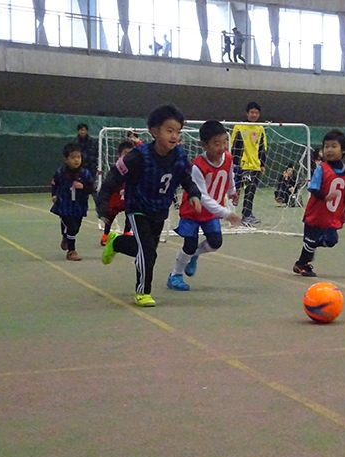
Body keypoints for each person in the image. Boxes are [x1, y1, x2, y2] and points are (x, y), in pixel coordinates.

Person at [96, 104, 202, 307]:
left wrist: (194, 194)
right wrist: (103, 206)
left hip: (159, 210)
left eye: (178, 132)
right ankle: (143, 291)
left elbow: (186, 178)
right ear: (154, 131)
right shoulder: (138, 156)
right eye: (169, 130)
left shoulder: (179, 155)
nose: (174, 136)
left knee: (146, 249)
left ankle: (116, 242)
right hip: (137, 208)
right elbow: (113, 178)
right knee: (148, 252)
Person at [167, 120, 242, 291]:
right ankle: (175, 275)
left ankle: (194, 256)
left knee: (215, 242)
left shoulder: (228, 158)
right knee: (189, 244)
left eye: (224, 142)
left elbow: (229, 175)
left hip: (211, 212)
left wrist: (232, 191)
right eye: (217, 144)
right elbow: (202, 197)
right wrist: (226, 213)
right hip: (193, 210)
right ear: (204, 145)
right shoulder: (197, 167)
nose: (222, 147)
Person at [293, 129, 345, 277]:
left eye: (334, 146)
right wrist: (325, 196)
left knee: (331, 240)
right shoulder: (321, 169)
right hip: (316, 214)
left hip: (332, 215)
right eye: (326, 146)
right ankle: (301, 264)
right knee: (311, 240)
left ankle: (310, 247)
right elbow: (313, 188)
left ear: (343, 150)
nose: (329, 150)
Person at [50, 143, 95, 261]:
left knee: (76, 227)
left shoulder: (85, 174)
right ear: (66, 159)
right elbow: (54, 184)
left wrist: (83, 187)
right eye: (73, 157)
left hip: (79, 205)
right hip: (64, 204)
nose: (76, 160)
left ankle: (66, 237)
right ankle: (71, 251)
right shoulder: (60, 173)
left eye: (78, 157)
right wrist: (54, 195)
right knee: (71, 225)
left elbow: (91, 189)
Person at [231, 101, 267, 226]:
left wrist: (262, 164)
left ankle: (247, 214)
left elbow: (263, 147)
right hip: (243, 164)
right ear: (247, 113)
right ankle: (243, 215)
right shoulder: (239, 127)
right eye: (252, 112)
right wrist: (235, 163)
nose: (254, 115)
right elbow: (234, 145)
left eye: (256, 113)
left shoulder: (260, 128)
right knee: (245, 189)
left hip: (255, 165)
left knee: (251, 190)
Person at [100, 141, 133, 246]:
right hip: (116, 197)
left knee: (131, 213)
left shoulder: (135, 167)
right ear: (119, 156)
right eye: (125, 153)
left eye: (130, 153)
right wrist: (119, 190)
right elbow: (110, 184)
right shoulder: (116, 169)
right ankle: (106, 235)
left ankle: (127, 232)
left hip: (128, 197)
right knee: (110, 216)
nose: (128, 156)